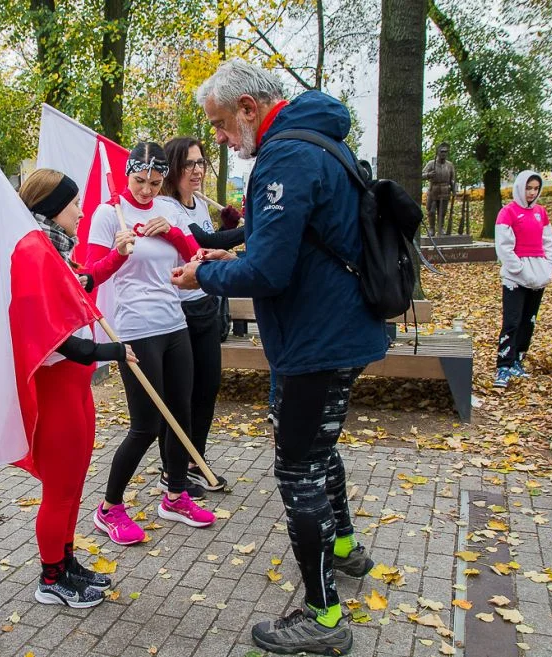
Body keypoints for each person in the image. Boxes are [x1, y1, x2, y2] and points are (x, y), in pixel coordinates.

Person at [172, 59, 386, 655]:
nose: (216, 136)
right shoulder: (319, 142)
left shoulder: (285, 155)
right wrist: (223, 263)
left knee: (297, 470)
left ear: (247, 107)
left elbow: (268, 269)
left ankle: (323, 616)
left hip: (315, 341)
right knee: (319, 451)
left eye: (218, 122)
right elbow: (278, 243)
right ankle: (344, 548)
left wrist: (201, 278)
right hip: (341, 331)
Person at [16, 168, 139, 607]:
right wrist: (108, 352)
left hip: (75, 389)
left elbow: (81, 283)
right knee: (61, 488)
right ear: (51, 207)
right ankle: (51, 578)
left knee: (73, 482)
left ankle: (65, 562)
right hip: (57, 390)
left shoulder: (55, 248)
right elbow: (47, 336)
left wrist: (114, 260)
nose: (81, 211)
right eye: (72, 204)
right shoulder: (34, 251)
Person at [87, 141, 216, 546]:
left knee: (181, 414)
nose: (147, 190)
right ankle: (109, 507)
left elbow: (196, 259)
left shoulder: (167, 209)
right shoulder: (109, 214)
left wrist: (175, 232)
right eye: (140, 181)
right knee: (146, 425)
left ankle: (175, 495)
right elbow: (89, 275)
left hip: (174, 323)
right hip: (136, 328)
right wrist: (119, 253)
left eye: (155, 182)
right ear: (128, 174)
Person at [154, 137, 244, 496]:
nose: (198, 170)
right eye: (189, 164)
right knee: (181, 394)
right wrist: (259, 227)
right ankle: (170, 468)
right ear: (174, 168)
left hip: (206, 304)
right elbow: (202, 242)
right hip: (179, 311)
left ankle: (195, 460)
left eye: (201, 163)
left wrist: (228, 226)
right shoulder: (165, 207)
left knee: (208, 386)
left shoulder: (196, 204)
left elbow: (210, 246)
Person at [493, 170, 552, 389]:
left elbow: (549, 242)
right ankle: (504, 365)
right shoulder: (507, 213)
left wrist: (548, 266)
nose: (532, 192)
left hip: (538, 275)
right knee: (512, 321)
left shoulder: (541, 212)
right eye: (528, 188)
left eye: (535, 188)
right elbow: (504, 247)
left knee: (528, 321)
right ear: (520, 187)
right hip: (515, 277)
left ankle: (518, 360)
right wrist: (519, 269)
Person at [422, 143, 456, 235]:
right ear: (437, 152)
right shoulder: (431, 164)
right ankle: (431, 228)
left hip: (445, 190)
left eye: (445, 152)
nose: (444, 154)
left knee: (442, 212)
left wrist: (454, 189)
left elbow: (452, 179)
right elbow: (421, 175)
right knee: (431, 211)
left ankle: (441, 228)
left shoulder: (449, 165)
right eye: (442, 151)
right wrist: (428, 175)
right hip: (434, 190)